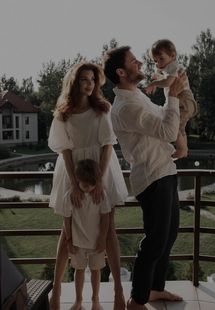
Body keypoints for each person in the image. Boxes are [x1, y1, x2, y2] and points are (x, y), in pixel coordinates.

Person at [104, 46, 185, 309]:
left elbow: (162, 116)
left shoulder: (136, 95)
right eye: (133, 61)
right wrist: (172, 95)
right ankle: (137, 301)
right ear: (121, 71)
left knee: (168, 235)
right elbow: (168, 130)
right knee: (155, 241)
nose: (140, 62)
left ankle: (154, 290)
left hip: (165, 170)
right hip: (152, 178)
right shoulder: (125, 106)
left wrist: (170, 95)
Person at [48, 62, 128, 310]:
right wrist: (74, 184)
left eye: (93, 79)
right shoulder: (64, 114)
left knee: (109, 227)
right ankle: (58, 289)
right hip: (72, 170)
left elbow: (107, 146)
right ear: (75, 82)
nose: (89, 84)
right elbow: (65, 150)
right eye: (84, 79)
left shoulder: (102, 110)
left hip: (101, 169)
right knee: (68, 225)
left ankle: (117, 290)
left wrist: (100, 181)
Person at [63, 159, 111, 310]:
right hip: (78, 243)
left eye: (92, 185)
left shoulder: (101, 195)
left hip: (96, 242)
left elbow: (105, 217)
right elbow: (66, 218)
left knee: (96, 271)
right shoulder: (70, 196)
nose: (89, 188)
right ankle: (78, 300)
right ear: (77, 180)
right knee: (79, 271)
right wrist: (69, 239)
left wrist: (103, 238)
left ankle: (95, 300)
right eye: (85, 185)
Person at [145, 39, 198, 159]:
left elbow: (168, 81)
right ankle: (184, 149)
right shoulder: (169, 67)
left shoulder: (173, 66)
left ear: (172, 56)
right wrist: (158, 76)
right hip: (185, 102)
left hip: (183, 99)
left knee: (175, 126)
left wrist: (155, 83)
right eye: (155, 61)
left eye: (161, 59)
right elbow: (166, 77)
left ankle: (182, 149)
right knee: (181, 127)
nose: (158, 63)